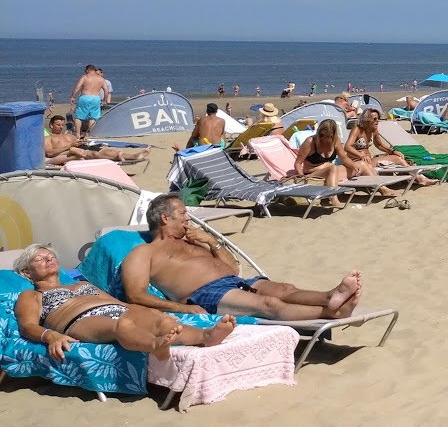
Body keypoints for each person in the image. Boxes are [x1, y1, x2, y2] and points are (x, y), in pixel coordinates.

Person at [122, 194, 364, 319]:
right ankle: (331, 313)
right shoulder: (144, 252)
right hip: (204, 295)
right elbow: (135, 295)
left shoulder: (193, 241)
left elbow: (232, 269)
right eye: (183, 213)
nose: (188, 218)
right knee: (268, 305)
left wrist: (212, 242)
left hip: (234, 282)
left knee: (285, 289)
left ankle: (329, 297)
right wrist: (181, 309)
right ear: (165, 218)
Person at [11, 244, 236, 362]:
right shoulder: (31, 296)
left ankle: (206, 336)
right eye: (39, 259)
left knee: (160, 321)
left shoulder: (80, 285)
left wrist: (151, 313)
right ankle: (154, 346)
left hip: (117, 310)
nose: (49, 259)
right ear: (25, 272)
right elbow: (28, 326)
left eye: (50, 256)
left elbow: (118, 303)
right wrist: (51, 335)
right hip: (79, 320)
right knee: (121, 326)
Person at [343, 110, 437, 187]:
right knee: (394, 159)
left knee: (398, 158)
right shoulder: (357, 129)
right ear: (367, 120)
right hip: (357, 163)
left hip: (370, 161)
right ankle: (418, 179)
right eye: (374, 119)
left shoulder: (373, 130)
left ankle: (419, 178)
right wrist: (361, 155)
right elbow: (347, 147)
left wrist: (393, 151)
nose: (377, 121)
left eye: (378, 119)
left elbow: (379, 145)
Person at [44, 114, 149, 164]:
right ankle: (129, 156)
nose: (61, 127)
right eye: (58, 125)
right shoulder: (48, 138)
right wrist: (69, 146)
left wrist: (80, 141)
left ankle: (134, 156)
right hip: (68, 152)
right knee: (90, 153)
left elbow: (77, 143)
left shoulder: (69, 135)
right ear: (51, 125)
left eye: (62, 125)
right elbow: (49, 153)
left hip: (80, 149)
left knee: (105, 151)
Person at [292, 119, 352, 203]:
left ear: (333, 135)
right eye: (322, 135)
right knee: (333, 168)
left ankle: (375, 190)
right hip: (312, 175)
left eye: (328, 136)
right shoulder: (310, 142)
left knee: (361, 164)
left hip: (329, 173)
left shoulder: (335, 141)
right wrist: (302, 179)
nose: (324, 138)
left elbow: (344, 158)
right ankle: (334, 199)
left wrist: (354, 166)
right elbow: (297, 163)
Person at [68, 65, 110, 138]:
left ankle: (78, 134)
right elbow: (106, 90)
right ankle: (91, 134)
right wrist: (104, 100)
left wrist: (72, 96)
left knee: (78, 116)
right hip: (96, 98)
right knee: (93, 117)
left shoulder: (85, 77)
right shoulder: (101, 79)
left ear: (88, 70)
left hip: (85, 97)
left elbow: (78, 87)